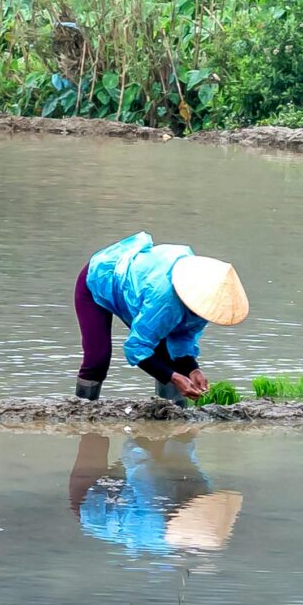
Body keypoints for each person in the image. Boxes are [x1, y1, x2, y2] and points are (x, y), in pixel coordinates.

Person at [74, 232, 248, 403]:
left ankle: (171, 416)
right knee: (98, 358)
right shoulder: (165, 300)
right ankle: (81, 412)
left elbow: (182, 340)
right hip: (100, 277)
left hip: (139, 287)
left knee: (167, 357)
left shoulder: (205, 304)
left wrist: (193, 370)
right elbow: (135, 348)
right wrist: (173, 377)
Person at [69, 429, 243, 556]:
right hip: (127, 494)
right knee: (162, 446)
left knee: (94, 435)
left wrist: (141, 429)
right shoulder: (204, 495)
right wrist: (185, 433)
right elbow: (183, 459)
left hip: (90, 507)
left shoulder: (155, 514)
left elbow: (136, 459)